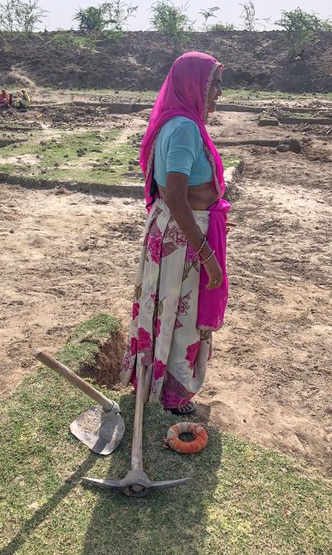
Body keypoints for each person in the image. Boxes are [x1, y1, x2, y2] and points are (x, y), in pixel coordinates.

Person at [120, 52, 230, 415]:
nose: (218, 91)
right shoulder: (183, 128)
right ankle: (171, 396)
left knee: (166, 309)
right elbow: (178, 199)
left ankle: (156, 385)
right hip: (183, 239)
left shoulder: (181, 123)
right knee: (180, 315)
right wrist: (209, 258)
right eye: (213, 82)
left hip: (176, 233)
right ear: (193, 84)